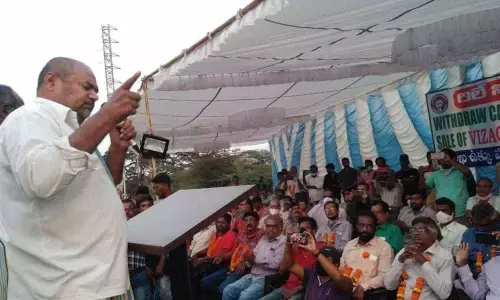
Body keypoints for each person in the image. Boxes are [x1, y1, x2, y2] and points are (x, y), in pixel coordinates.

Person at [0, 57, 140, 299]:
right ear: (52, 81)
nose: (95, 96)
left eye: (97, 90)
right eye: (87, 87)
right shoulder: (28, 118)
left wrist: (118, 148)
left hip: (97, 282)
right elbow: (40, 178)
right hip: (64, 287)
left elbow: (107, 182)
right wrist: (107, 115)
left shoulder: (73, 131)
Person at [384, 217, 455, 300]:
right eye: (413, 231)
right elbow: (389, 286)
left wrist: (424, 262)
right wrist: (400, 261)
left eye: (421, 230)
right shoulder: (404, 251)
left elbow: (444, 294)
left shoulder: (444, 256)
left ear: (434, 233)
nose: (416, 233)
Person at [222, 215, 286, 300]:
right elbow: (254, 255)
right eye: (267, 226)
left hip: (266, 279)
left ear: (280, 227)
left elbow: (276, 264)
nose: (270, 229)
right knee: (228, 290)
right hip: (252, 275)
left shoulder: (284, 242)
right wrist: (247, 262)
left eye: (274, 226)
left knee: (244, 297)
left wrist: (255, 261)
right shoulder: (264, 239)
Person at [200, 212, 264, 297]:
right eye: (247, 220)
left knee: (222, 289)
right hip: (230, 267)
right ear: (243, 222)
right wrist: (222, 257)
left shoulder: (261, 235)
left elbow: (260, 255)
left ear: (257, 222)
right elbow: (233, 251)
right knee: (206, 282)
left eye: (252, 220)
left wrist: (246, 263)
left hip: (244, 271)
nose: (249, 222)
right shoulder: (241, 234)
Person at [260, 217, 323, 300]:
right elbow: (282, 269)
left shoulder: (320, 249)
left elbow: (318, 279)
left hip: (306, 290)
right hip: (287, 287)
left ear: (314, 231)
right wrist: (288, 244)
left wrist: (296, 289)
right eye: (300, 229)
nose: (302, 232)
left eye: (306, 228)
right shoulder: (295, 248)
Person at [278, 234, 352, 300]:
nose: (320, 260)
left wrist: (316, 252)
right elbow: (290, 265)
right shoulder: (312, 274)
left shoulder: (345, 282)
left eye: (325, 258)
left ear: (336, 265)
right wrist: (288, 244)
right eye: (319, 257)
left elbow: (339, 278)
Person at [340, 211, 393, 299]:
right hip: (345, 291)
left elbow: (384, 276)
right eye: (361, 225)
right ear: (356, 226)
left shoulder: (384, 247)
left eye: (369, 226)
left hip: (369, 294)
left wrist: (362, 287)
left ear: (375, 227)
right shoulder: (350, 244)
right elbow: (341, 268)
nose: (365, 229)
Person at [192, 214, 236, 298]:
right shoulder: (217, 234)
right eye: (218, 222)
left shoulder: (229, 235)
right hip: (209, 261)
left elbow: (222, 255)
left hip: (220, 265)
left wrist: (203, 258)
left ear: (228, 224)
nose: (220, 224)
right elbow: (210, 248)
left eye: (223, 222)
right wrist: (198, 253)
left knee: (199, 279)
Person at [425, 148, 473, 218]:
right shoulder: (435, 174)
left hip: (460, 212)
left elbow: (468, 173)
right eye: (441, 157)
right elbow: (425, 187)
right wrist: (420, 174)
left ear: (454, 158)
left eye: (445, 156)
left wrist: (450, 161)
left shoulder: (460, 170)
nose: (443, 159)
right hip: (442, 214)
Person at [461, 203, 500, 275]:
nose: (480, 229)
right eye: (477, 225)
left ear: (494, 220)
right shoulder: (468, 235)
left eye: (485, 225)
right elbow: (464, 262)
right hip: (475, 277)